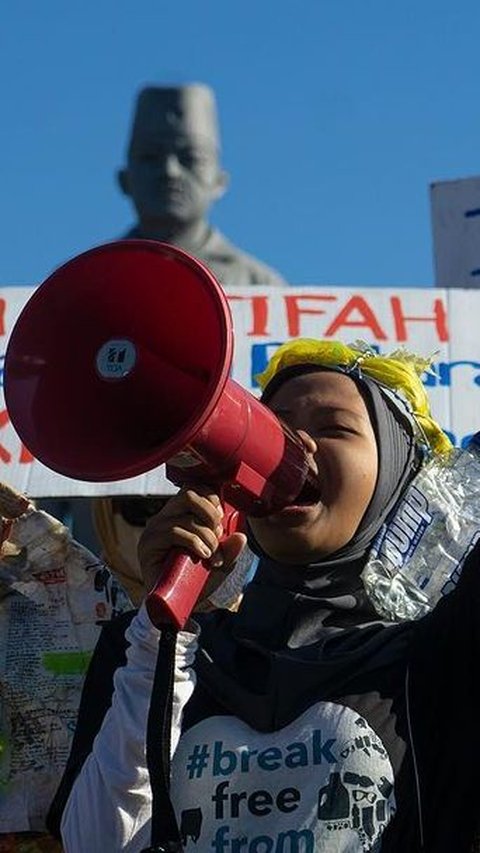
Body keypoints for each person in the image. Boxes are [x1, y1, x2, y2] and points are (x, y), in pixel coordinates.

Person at [49, 338, 480, 851]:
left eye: (334, 427)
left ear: (395, 476)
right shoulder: (149, 648)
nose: (297, 444)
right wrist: (162, 634)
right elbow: (96, 842)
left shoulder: (440, 655)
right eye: (274, 428)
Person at [117, 83, 286, 288]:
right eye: (151, 158)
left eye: (190, 158)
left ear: (219, 182)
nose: (170, 171)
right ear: (124, 180)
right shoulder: (91, 276)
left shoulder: (259, 284)